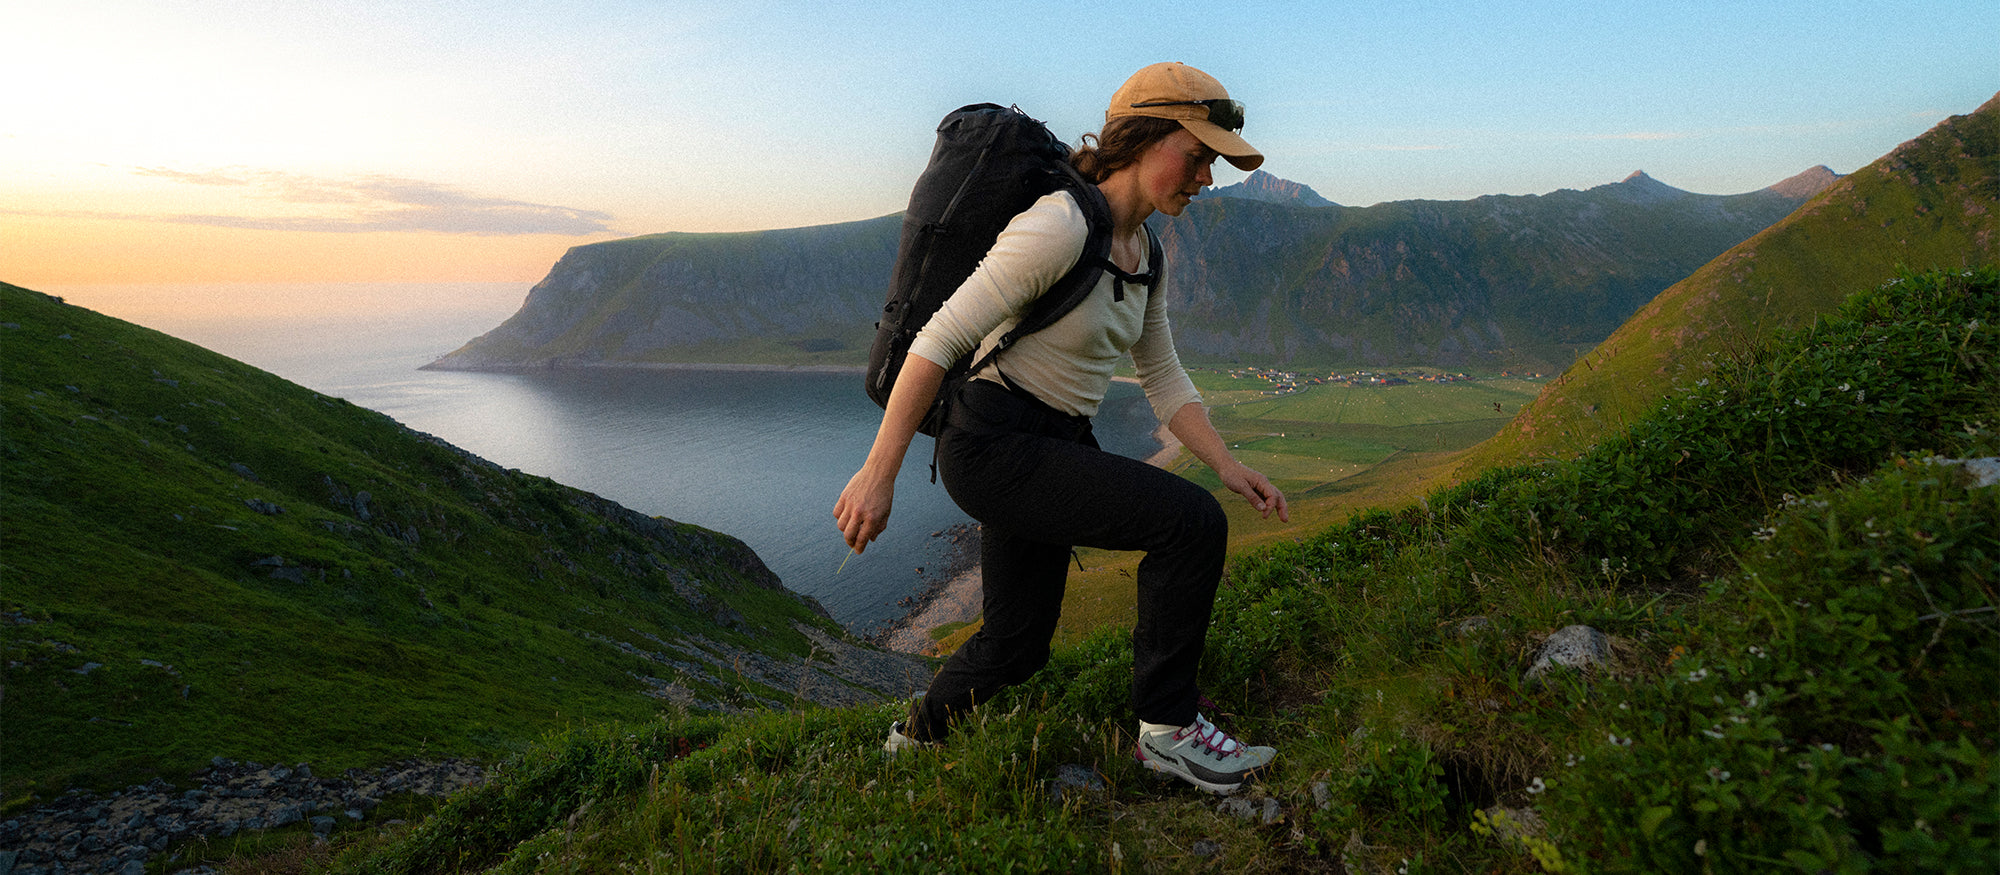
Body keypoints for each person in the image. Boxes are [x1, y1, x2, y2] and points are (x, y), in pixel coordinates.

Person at [833, 62, 1289, 795]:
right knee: (1190, 525)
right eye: (1197, 154)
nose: (1206, 177)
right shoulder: (1059, 224)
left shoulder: (1146, 253)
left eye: (1213, 162)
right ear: (1141, 138)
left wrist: (1229, 465)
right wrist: (877, 472)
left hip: (1052, 444)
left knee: (1017, 644)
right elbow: (940, 339)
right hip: (992, 441)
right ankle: (1169, 731)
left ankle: (913, 741)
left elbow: (1164, 377)